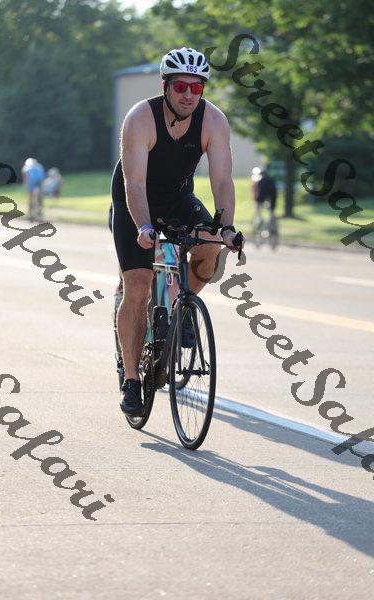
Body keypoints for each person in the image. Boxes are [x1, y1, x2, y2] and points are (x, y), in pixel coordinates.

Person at [111, 46, 244, 417]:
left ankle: (181, 310)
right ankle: (132, 378)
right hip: (135, 200)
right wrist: (144, 226)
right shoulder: (141, 117)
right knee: (138, 285)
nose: (188, 95)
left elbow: (222, 180)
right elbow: (134, 183)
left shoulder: (213, 120)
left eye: (196, 88)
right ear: (166, 86)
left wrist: (227, 227)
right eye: (181, 86)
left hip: (178, 197)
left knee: (211, 245)